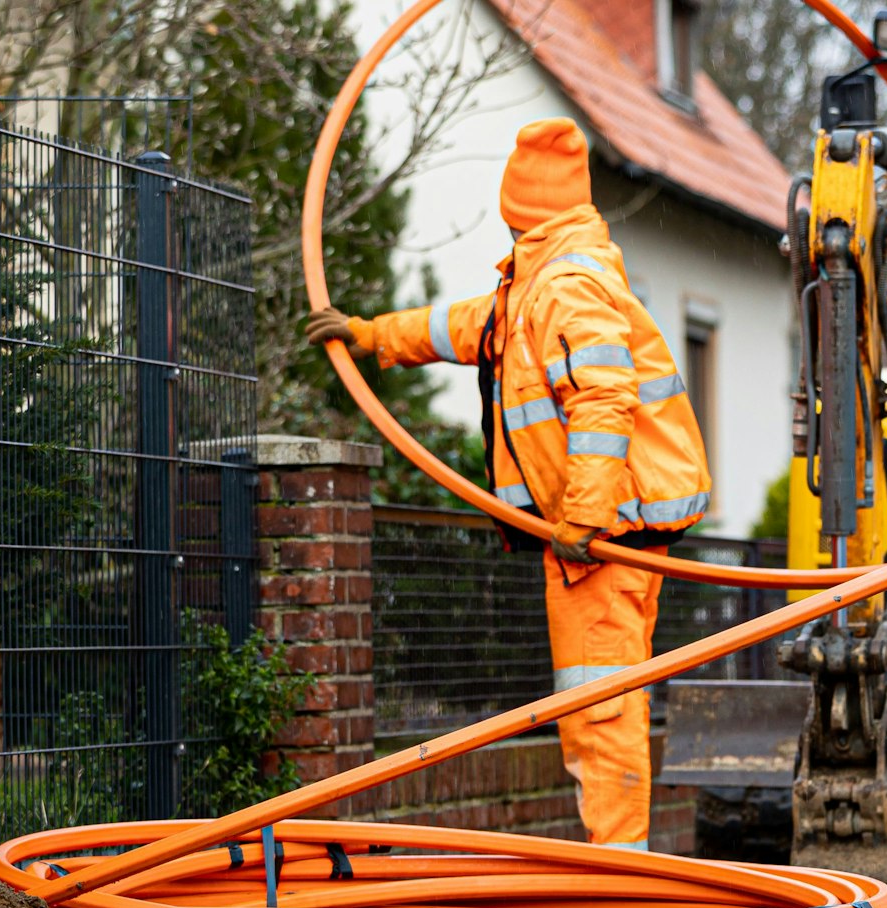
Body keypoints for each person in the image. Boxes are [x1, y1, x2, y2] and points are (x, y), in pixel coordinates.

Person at [304, 118, 712, 850]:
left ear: (518, 202)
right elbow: (466, 325)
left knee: (601, 710)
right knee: (599, 707)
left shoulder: (566, 285)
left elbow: (603, 399)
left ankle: (621, 884)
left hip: (600, 543)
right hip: (600, 536)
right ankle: (619, 872)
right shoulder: (538, 280)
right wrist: (371, 335)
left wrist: (584, 520)